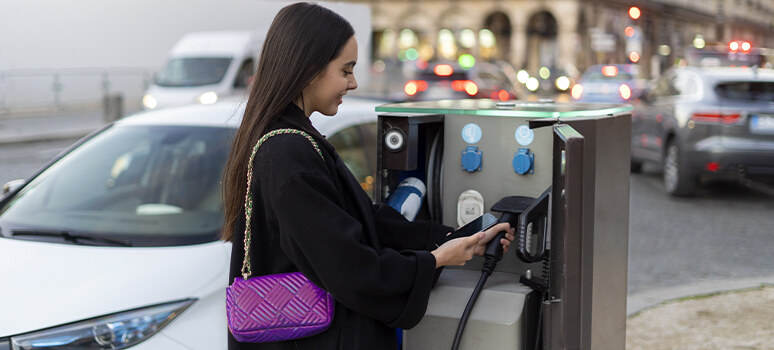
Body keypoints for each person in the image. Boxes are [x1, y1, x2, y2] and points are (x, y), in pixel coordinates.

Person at [221, 3, 514, 349]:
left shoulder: (292, 141)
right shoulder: (287, 152)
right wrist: (437, 259)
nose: (354, 82)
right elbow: (352, 269)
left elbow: (362, 221)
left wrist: (452, 237)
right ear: (309, 69)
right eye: (346, 70)